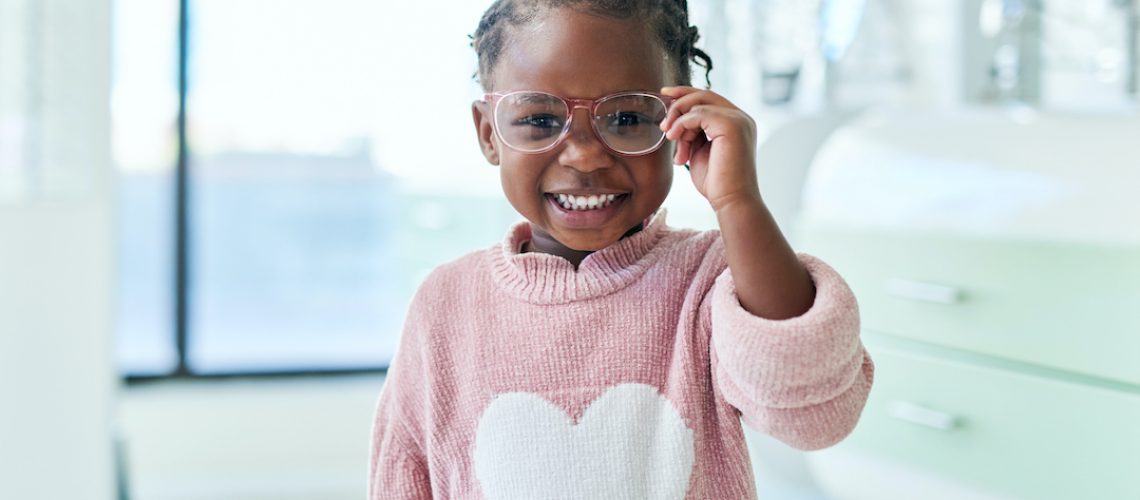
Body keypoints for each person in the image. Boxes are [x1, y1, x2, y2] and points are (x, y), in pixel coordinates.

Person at [369, 0, 874, 498]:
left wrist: (738, 200)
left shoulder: (715, 280)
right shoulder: (445, 303)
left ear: (682, 125)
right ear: (489, 134)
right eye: (541, 120)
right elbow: (402, 473)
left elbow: (813, 417)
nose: (585, 156)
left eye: (629, 118)